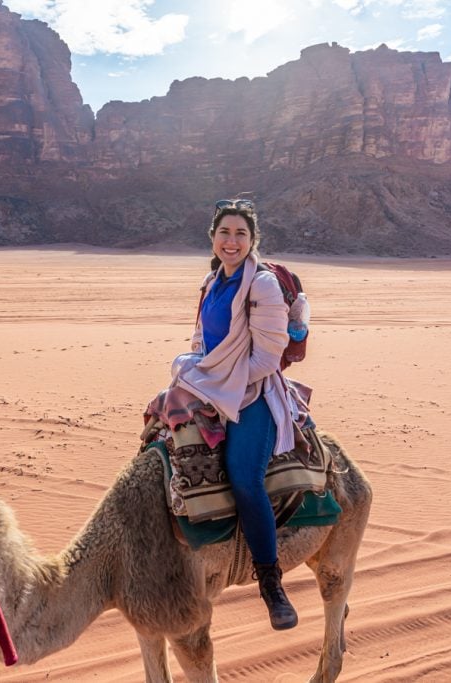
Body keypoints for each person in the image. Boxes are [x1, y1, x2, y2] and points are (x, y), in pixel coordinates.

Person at [172, 198, 299, 630]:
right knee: (159, 441)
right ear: (213, 237)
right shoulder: (211, 282)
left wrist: (216, 387)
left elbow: (267, 359)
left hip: (251, 394)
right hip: (210, 384)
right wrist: (197, 375)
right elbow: (198, 339)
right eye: (225, 233)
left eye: (241, 234)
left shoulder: (260, 285)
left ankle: (270, 579)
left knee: (245, 480)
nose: (232, 241)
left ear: (252, 240)